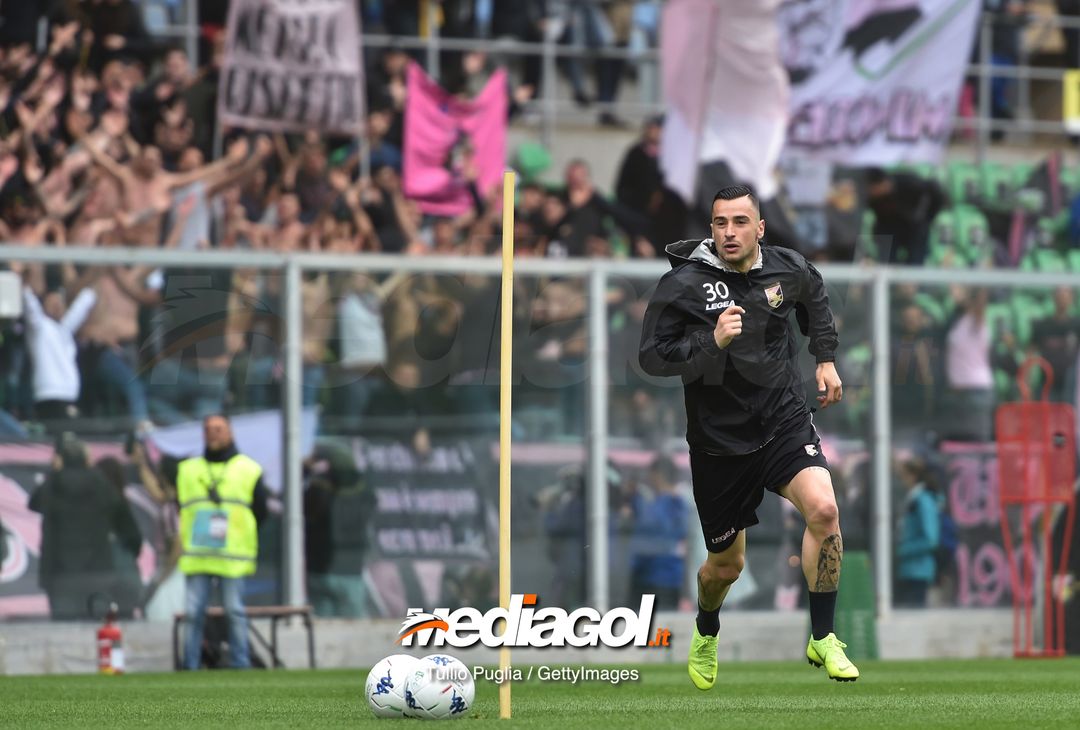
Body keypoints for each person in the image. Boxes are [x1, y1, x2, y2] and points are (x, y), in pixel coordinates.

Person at [638, 185, 858, 686]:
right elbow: (652, 356)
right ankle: (707, 628)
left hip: (782, 420)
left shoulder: (787, 268)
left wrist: (824, 358)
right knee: (725, 568)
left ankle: (823, 636)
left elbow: (815, 296)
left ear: (760, 227)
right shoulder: (684, 284)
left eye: (740, 222)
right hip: (719, 443)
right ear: (711, 229)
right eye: (720, 223)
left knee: (824, 510)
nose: (729, 232)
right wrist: (709, 341)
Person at [177, 414, 268, 670]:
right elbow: (180, 507)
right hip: (198, 555)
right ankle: (190, 667)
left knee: (234, 612)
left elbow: (261, 511)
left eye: (218, 428)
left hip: (232, 556)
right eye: (208, 429)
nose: (213, 433)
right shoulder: (188, 469)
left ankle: (242, 666)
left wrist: (240, 534)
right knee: (193, 614)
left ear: (230, 433)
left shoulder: (248, 469)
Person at [29, 433, 142, 620]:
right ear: (85, 458)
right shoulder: (100, 482)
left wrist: (55, 471)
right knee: (96, 627)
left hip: (60, 574)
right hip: (97, 571)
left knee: (64, 631)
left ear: (61, 459)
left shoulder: (54, 483)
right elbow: (126, 524)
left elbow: (33, 503)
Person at [895, 458, 941, 608]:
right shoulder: (912, 499)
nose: (901, 481)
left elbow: (930, 539)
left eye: (903, 476)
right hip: (909, 569)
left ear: (912, 476)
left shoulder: (922, 500)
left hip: (918, 570)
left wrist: (903, 550)